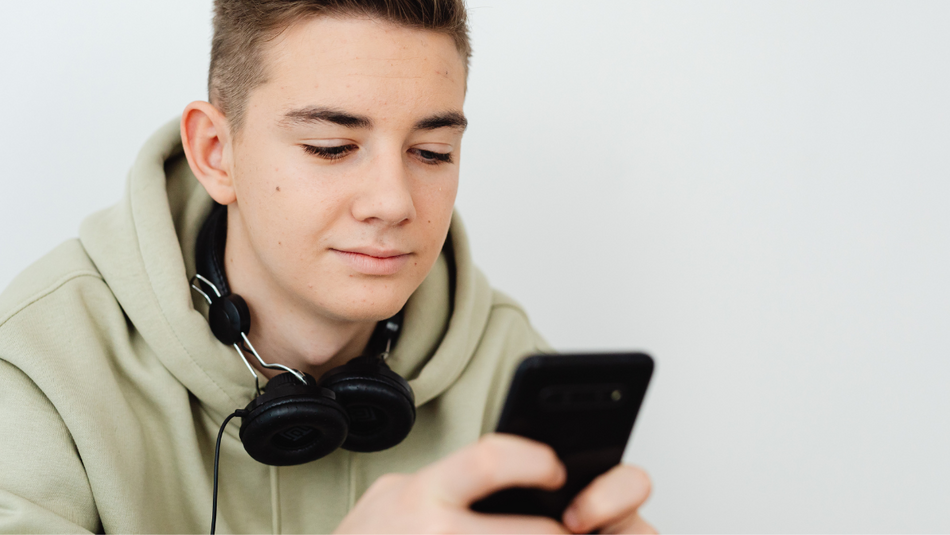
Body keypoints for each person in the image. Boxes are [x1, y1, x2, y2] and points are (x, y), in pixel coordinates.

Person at [0, 0, 654, 532]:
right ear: (216, 153)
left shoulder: (509, 367)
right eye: (332, 147)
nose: (394, 203)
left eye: (431, 152)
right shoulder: (39, 368)